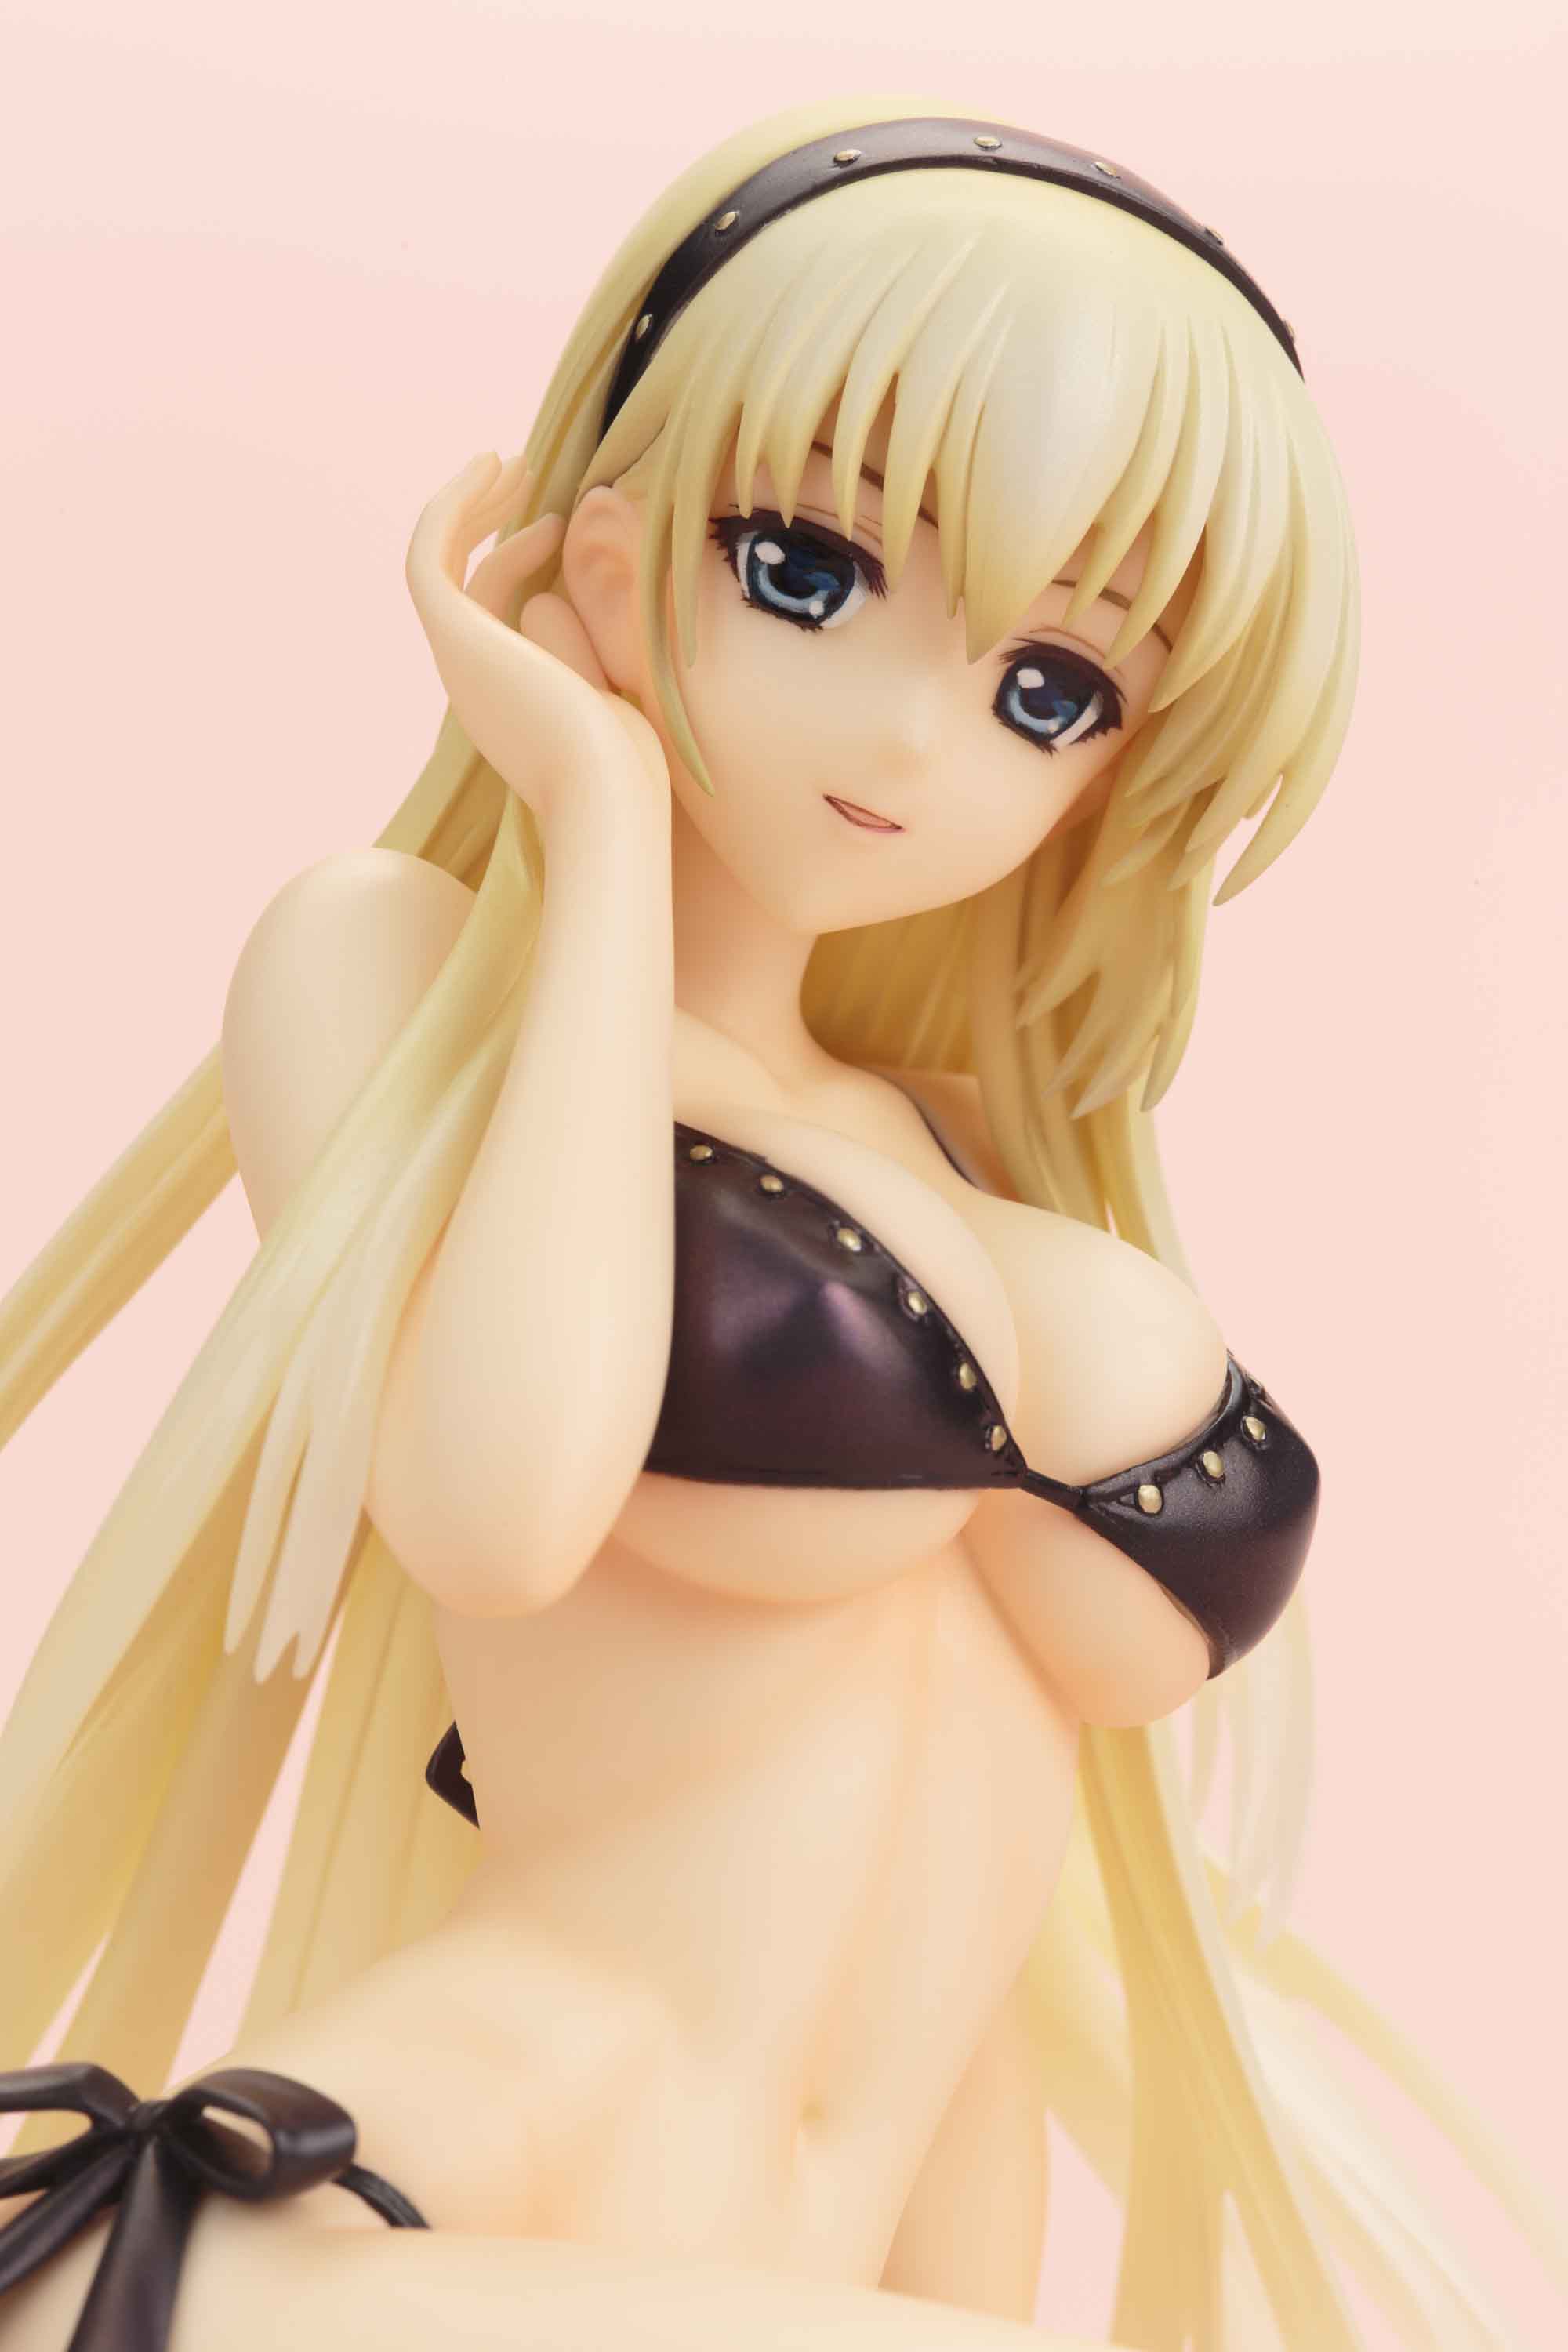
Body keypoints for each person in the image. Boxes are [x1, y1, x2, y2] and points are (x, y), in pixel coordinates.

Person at [0, 93, 1554, 2352]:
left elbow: (961, 1970)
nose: (919, 739)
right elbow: (495, 1513)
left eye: (1052, 688)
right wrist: (597, 817)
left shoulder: (972, 1155)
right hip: (356, 2236)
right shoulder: (399, 970)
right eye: (806, 569)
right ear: (610, 553)